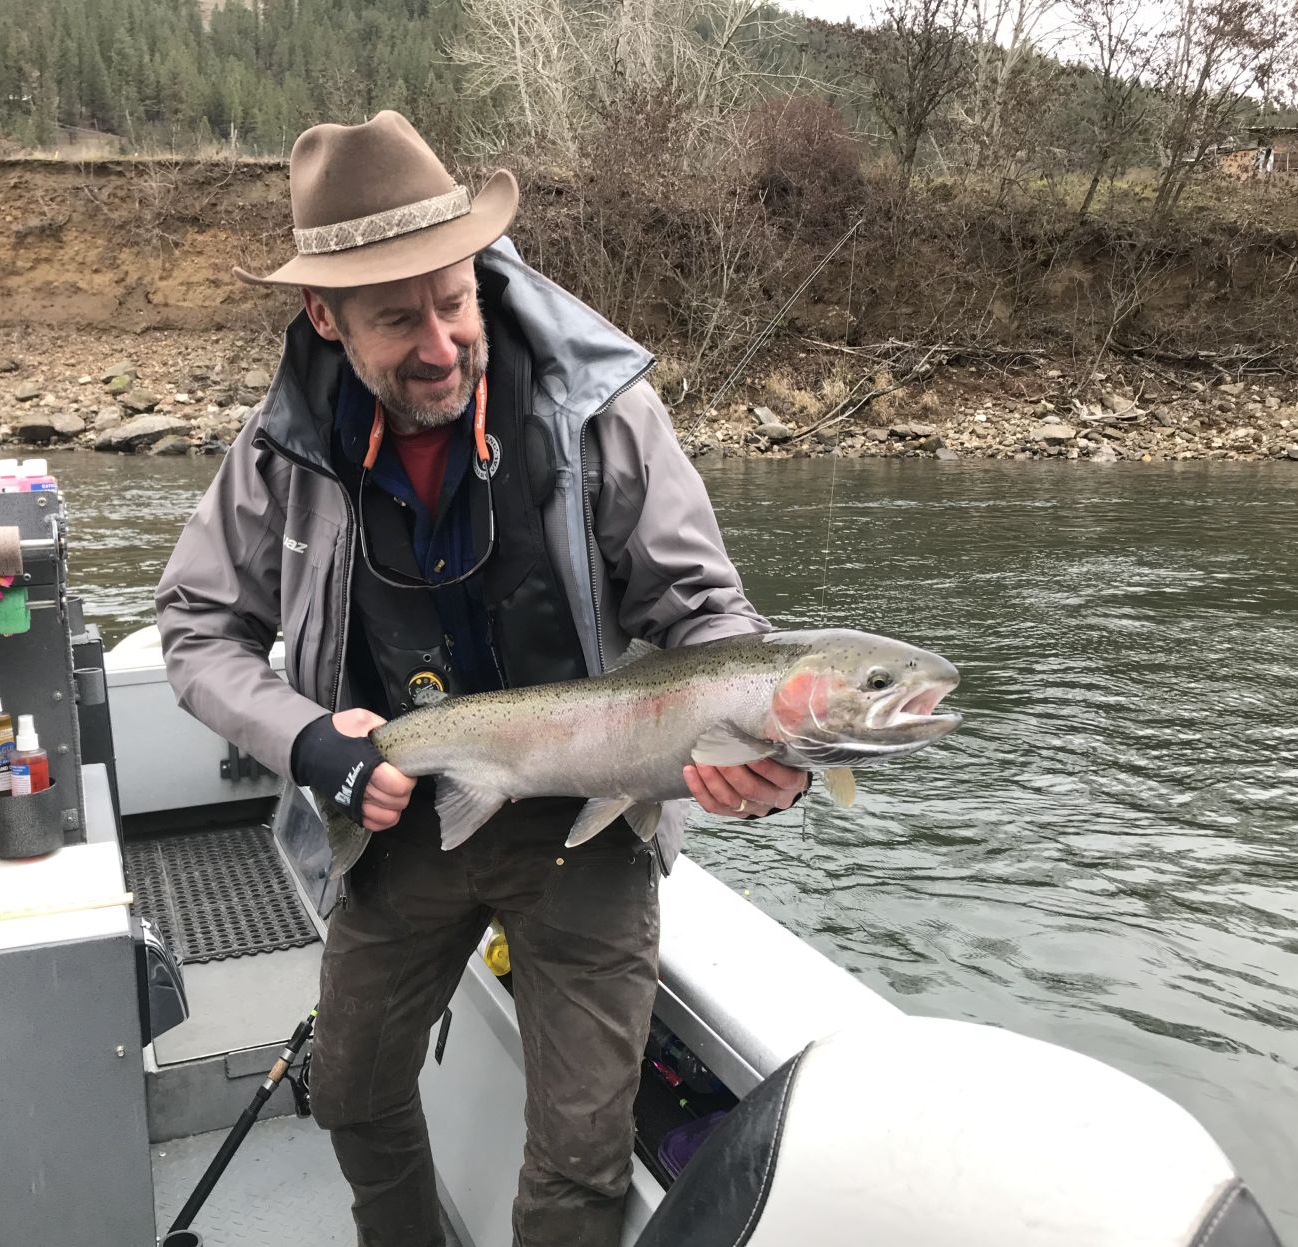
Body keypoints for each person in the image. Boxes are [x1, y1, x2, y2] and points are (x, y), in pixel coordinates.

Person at [155, 110, 808, 1247]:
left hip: (586, 830)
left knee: (578, 1161)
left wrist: (769, 747)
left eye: (454, 300)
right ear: (325, 316)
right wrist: (313, 742)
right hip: (397, 813)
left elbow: (706, 614)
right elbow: (196, 628)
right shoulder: (279, 450)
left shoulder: (601, 410)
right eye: (398, 319)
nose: (443, 343)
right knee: (353, 1094)